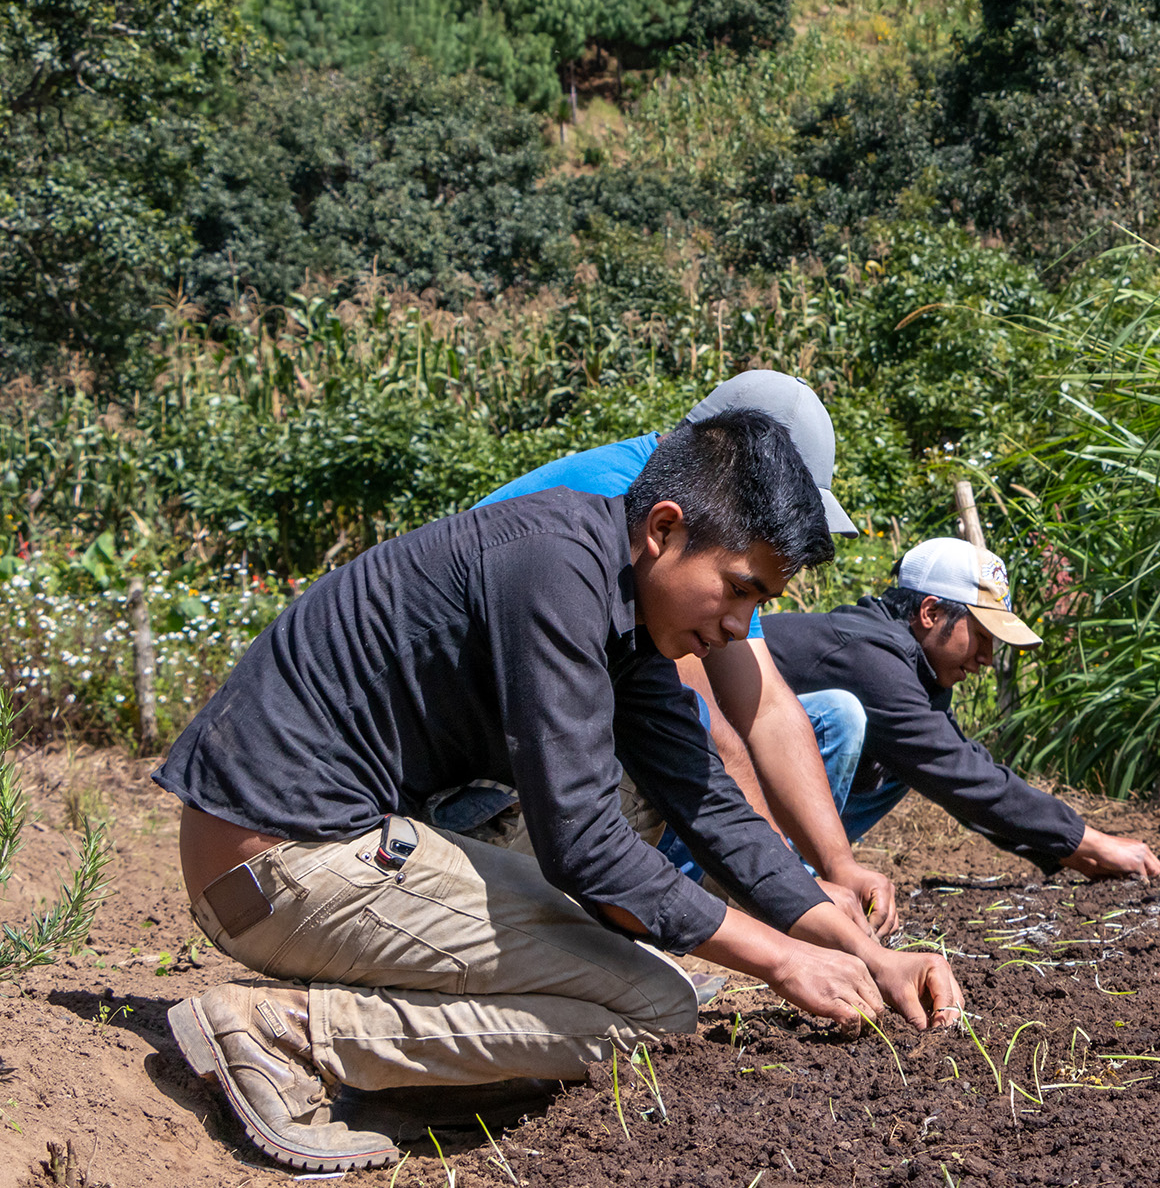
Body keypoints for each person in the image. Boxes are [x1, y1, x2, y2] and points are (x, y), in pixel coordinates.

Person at [157, 410, 962, 1173]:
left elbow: (708, 800)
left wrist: (866, 950)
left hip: (319, 844)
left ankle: (387, 1072)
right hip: (277, 859)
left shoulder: (623, 606)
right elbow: (584, 843)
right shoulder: (553, 569)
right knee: (655, 1005)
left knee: (630, 965)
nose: (739, 626)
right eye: (740, 588)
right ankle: (287, 1036)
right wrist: (783, 960)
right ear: (665, 529)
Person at [478, 372, 901, 933]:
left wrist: (837, 865)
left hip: (541, 742)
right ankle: (638, 935)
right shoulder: (632, 504)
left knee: (833, 718)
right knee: (670, 769)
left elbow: (767, 705)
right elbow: (699, 731)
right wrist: (797, 897)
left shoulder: (713, 538)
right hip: (487, 777)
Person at [754, 537, 1160, 880]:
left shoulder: (915, 668)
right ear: (931, 612)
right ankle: (776, 874)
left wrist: (1062, 851)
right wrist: (1087, 840)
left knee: (908, 761)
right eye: (981, 636)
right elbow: (957, 773)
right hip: (708, 770)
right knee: (840, 714)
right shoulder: (870, 657)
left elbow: (959, 778)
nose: (987, 658)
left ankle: (790, 870)